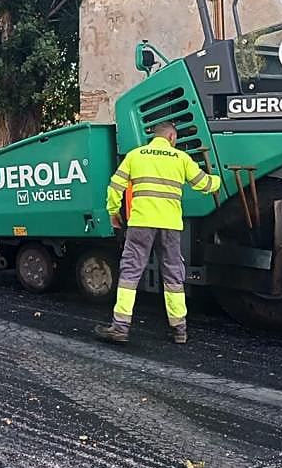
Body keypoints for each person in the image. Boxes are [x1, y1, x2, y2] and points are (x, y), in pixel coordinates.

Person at [94, 122, 221, 345]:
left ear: (155, 136)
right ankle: (179, 330)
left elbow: (115, 187)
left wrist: (113, 212)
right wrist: (218, 179)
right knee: (173, 275)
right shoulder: (180, 158)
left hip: (141, 224)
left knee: (130, 273)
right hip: (170, 226)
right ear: (171, 137)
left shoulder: (135, 156)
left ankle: (120, 327)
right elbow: (204, 184)